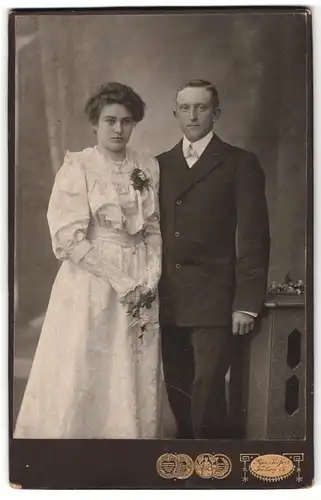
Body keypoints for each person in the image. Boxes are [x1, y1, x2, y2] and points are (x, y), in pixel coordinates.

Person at [14, 82, 162, 439]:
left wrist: (150, 276)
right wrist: (121, 280)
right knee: (86, 360)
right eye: (110, 120)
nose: (118, 129)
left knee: (133, 362)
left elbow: (153, 226)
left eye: (126, 122)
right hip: (91, 277)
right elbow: (68, 238)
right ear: (95, 123)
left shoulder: (147, 165)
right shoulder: (78, 166)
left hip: (140, 276)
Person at [157, 79, 270, 439]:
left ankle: (212, 473)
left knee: (207, 392)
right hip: (170, 298)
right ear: (175, 113)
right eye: (185, 108)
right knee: (178, 388)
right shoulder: (159, 165)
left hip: (216, 299)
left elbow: (254, 237)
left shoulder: (239, 163)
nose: (193, 115)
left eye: (201, 107)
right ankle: (189, 473)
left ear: (216, 113)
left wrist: (246, 304)